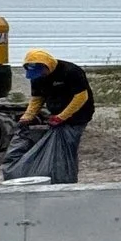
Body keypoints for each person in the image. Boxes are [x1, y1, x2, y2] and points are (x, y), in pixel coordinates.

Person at [10, 48, 95, 182]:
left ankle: (65, 177)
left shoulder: (70, 71)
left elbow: (81, 97)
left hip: (79, 115)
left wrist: (62, 117)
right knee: (55, 149)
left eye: (40, 72)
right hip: (57, 113)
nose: (39, 75)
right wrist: (27, 116)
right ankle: (54, 174)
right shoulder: (37, 77)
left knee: (67, 145)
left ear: (46, 65)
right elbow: (37, 98)